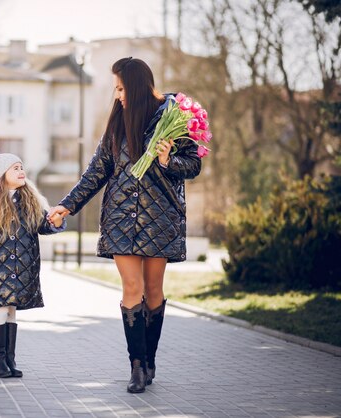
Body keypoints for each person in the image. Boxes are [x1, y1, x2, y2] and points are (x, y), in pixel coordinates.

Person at [48, 58, 202, 393]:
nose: (117, 95)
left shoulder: (175, 115)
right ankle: (136, 367)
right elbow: (97, 171)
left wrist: (167, 160)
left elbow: (193, 165)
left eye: (120, 87)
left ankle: (150, 360)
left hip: (160, 218)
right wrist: (67, 205)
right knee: (132, 290)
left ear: (134, 85)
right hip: (120, 217)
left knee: (154, 290)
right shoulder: (117, 123)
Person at [0, 153, 66, 378]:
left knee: (11, 312)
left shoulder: (29, 201)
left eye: (21, 166)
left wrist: (56, 221)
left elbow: (42, 225)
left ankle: (9, 360)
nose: (20, 171)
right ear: (1, 176)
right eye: (14, 168)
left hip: (22, 269)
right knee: (1, 310)